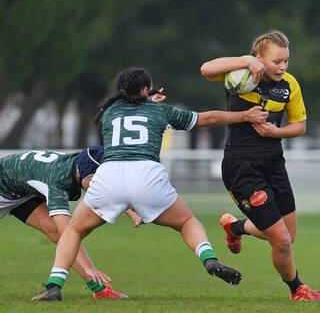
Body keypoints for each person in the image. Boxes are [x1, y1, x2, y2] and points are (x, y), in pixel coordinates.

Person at [32, 66, 268, 301]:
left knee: (73, 231)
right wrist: (245, 116)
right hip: (147, 176)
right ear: (146, 89)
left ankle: (54, 285)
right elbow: (208, 118)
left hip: (110, 175)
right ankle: (210, 259)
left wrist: (147, 100)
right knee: (186, 221)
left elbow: (134, 112)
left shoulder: (108, 112)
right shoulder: (160, 110)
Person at [200, 30, 320, 301]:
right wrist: (244, 60)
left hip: (274, 164)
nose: (283, 67)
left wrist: (275, 133)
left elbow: (300, 126)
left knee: (288, 235)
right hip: (241, 167)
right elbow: (207, 69)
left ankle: (236, 227)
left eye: (286, 61)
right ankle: (298, 289)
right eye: (277, 61)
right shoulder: (239, 74)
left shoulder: (289, 84)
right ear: (259, 58)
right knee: (282, 240)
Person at [0, 146, 140, 299]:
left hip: (20, 192)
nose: (103, 187)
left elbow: (104, 191)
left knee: (59, 235)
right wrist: (89, 268)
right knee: (67, 235)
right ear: (87, 174)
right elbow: (67, 232)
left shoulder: (80, 163)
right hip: (3, 187)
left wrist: (130, 211)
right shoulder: (57, 182)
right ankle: (92, 282)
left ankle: (99, 289)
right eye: (100, 182)